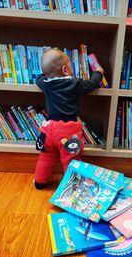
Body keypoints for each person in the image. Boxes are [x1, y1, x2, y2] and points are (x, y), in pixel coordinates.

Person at [34, 48, 104, 189]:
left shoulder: (46, 84)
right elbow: (91, 84)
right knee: (71, 159)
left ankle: (40, 182)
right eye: (71, 66)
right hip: (67, 131)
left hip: (49, 129)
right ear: (65, 69)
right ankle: (73, 186)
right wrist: (98, 73)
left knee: (46, 157)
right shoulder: (75, 84)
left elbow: (39, 79)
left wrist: (48, 72)